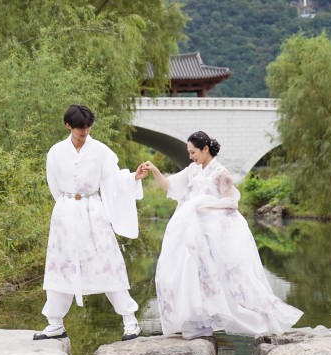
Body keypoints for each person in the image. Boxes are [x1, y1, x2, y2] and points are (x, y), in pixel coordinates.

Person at [142, 131, 302, 339]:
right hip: (190, 232)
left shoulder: (221, 173)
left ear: (205, 149)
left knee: (221, 276)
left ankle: (243, 317)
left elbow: (231, 202)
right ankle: (196, 320)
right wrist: (154, 170)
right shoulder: (193, 170)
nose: (191, 156)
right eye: (189, 153)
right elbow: (169, 186)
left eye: (193, 152)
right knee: (188, 273)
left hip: (212, 231)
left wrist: (206, 205)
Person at [34, 104, 148, 342]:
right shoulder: (56, 152)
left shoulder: (100, 151)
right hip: (65, 213)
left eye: (87, 127)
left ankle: (130, 320)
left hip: (93, 211)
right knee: (61, 264)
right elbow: (53, 184)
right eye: (79, 128)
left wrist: (133, 177)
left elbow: (113, 179)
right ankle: (55, 323)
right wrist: (67, 206)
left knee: (108, 263)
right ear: (68, 126)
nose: (84, 132)